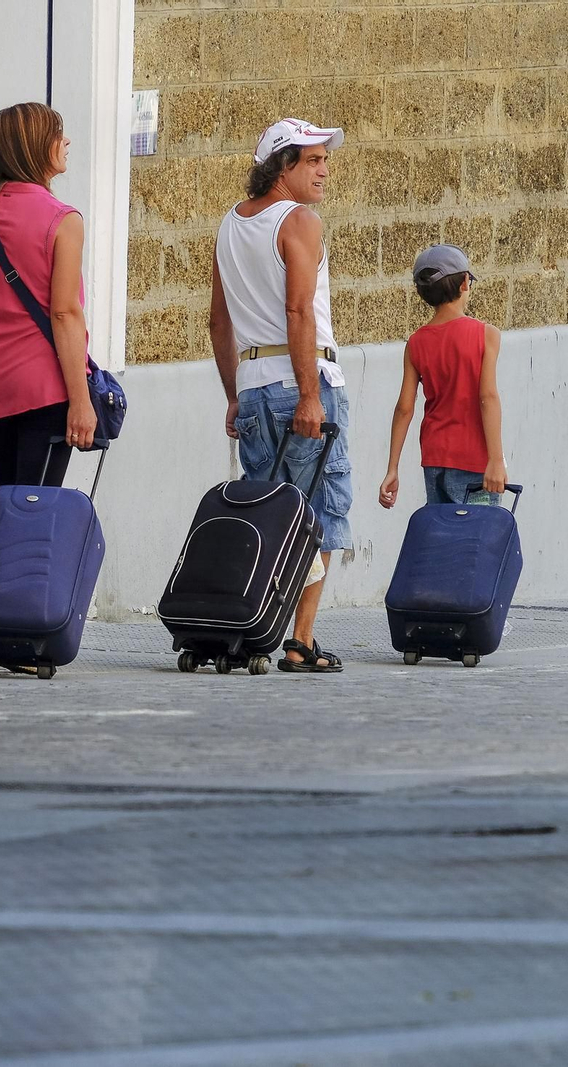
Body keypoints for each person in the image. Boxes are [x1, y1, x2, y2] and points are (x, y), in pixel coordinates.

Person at [209, 117, 353, 674]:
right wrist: (311, 395)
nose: (323, 169)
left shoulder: (230, 224)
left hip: (253, 386)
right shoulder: (299, 221)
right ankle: (300, 638)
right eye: (312, 160)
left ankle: (253, 624)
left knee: (266, 516)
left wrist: (233, 395)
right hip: (302, 382)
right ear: (281, 167)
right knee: (321, 511)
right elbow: (299, 312)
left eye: (324, 159)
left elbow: (219, 322)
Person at [0, 102, 97, 486]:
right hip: (42, 389)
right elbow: (64, 314)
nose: (66, 141)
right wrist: (80, 400)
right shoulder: (63, 220)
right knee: (34, 513)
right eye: (57, 134)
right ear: (35, 146)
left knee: (12, 504)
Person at [379, 244, 506, 510]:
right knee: (477, 544)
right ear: (464, 283)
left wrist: (392, 468)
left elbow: (404, 408)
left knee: (444, 541)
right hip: (474, 461)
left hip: (435, 459)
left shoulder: (416, 343)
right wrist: (496, 459)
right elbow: (488, 397)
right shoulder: (486, 335)